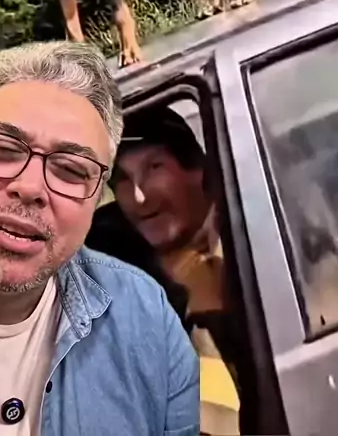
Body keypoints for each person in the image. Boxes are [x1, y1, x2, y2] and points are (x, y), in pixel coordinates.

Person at [0, 41, 199, 436]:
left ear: (96, 200)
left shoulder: (147, 319)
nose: (30, 187)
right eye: (2, 150)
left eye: (71, 170)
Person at [105, 105, 244, 436]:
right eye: (123, 180)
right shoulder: (113, 256)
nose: (139, 196)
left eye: (154, 168)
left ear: (197, 170)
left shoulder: (243, 247)